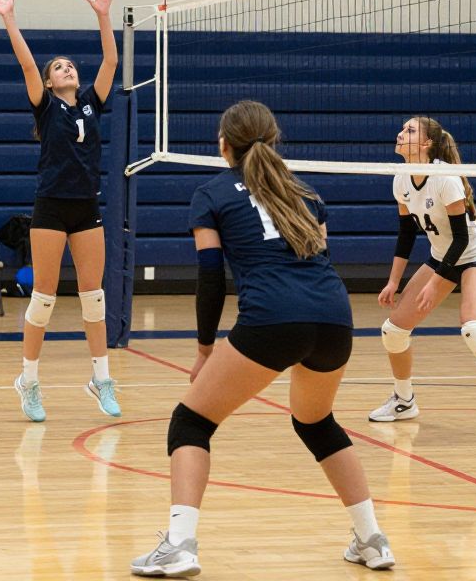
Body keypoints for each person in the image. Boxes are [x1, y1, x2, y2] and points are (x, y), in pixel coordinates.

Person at [131, 100, 395, 577]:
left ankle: (180, 545)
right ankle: (372, 540)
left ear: (223, 145)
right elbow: (320, 259)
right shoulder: (306, 194)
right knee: (317, 423)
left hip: (273, 318)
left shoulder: (210, 194)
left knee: (190, 423)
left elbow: (210, 276)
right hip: (335, 318)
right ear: (273, 141)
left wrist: (205, 349)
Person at [0, 0, 121, 422]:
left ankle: (101, 380)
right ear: (48, 80)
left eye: (70, 66)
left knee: (93, 298)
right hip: (51, 207)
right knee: (43, 297)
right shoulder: (45, 106)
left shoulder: (92, 105)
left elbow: (112, 60)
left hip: (87, 207)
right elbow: (25, 64)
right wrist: (9, 18)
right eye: (58, 67)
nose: (67, 69)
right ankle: (30, 381)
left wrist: (102, 15)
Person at [370, 116, 476, 442]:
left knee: (474, 328)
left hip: (474, 255)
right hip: (442, 257)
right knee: (393, 331)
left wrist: (434, 281)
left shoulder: (445, 178)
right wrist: (393, 281)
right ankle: (404, 401)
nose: (401, 134)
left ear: (427, 144)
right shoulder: (401, 179)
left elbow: (461, 240)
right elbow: (405, 235)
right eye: (402, 129)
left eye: (410, 130)